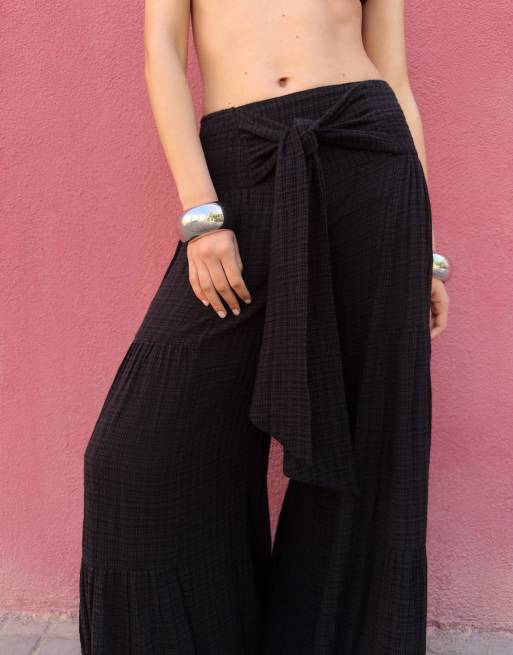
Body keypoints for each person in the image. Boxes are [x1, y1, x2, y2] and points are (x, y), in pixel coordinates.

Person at [79, 0, 450, 653]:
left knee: (363, 439)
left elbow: (394, 75)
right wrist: (201, 213)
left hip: (367, 155)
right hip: (238, 165)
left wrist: (426, 251)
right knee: (130, 456)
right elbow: (162, 54)